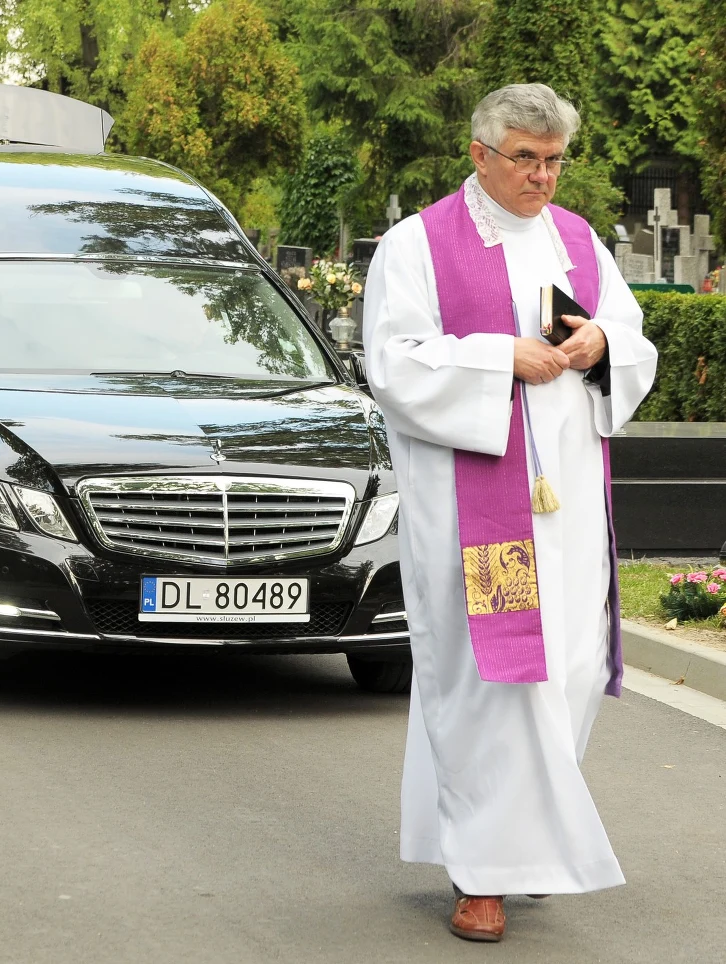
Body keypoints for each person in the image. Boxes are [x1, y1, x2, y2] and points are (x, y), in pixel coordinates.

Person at [361, 83, 659, 943]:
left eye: (554, 160)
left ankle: (523, 843)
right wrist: (501, 359)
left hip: (570, 504)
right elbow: (394, 362)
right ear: (480, 154)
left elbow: (631, 338)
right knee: (497, 680)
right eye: (526, 158)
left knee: (569, 671)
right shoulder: (418, 244)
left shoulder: (580, 241)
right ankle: (484, 874)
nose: (543, 176)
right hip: (479, 511)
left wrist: (603, 345)